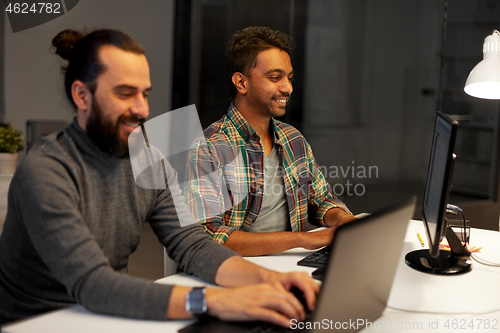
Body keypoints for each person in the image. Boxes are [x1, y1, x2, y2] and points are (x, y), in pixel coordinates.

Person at [0, 28, 319, 327]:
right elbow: (93, 284)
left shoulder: (147, 160)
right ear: (82, 96)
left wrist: (268, 280)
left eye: (144, 94)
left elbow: (193, 245)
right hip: (40, 323)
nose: (141, 109)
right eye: (125, 93)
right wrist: (216, 300)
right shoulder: (45, 170)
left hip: (110, 315)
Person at [184, 26, 357, 256]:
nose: (288, 88)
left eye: (289, 78)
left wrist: (342, 219)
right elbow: (207, 236)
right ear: (241, 83)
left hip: (287, 264)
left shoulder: (293, 139)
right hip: (236, 270)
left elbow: (321, 200)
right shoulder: (210, 147)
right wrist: (304, 240)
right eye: (275, 77)